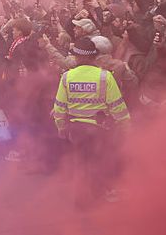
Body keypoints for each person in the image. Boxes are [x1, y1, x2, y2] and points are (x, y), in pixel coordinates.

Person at [51, 37, 130, 207]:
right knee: (99, 161)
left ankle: (81, 200)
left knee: (81, 162)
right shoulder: (105, 77)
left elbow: (59, 106)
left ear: (77, 57)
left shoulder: (67, 77)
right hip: (100, 129)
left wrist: (61, 127)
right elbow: (117, 106)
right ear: (94, 57)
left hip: (76, 130)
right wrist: (125, 126)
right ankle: (102, 193)